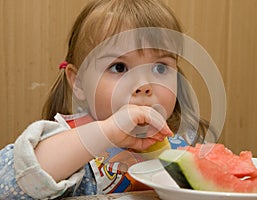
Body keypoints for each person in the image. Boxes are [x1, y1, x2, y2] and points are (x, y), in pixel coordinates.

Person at [0, 0, 210, 199]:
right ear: (79, 83)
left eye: (160, 68)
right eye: (119, 67)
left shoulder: (187, 142)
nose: (144, 85)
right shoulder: (68, 143)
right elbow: (9, 183)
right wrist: (106, 132)